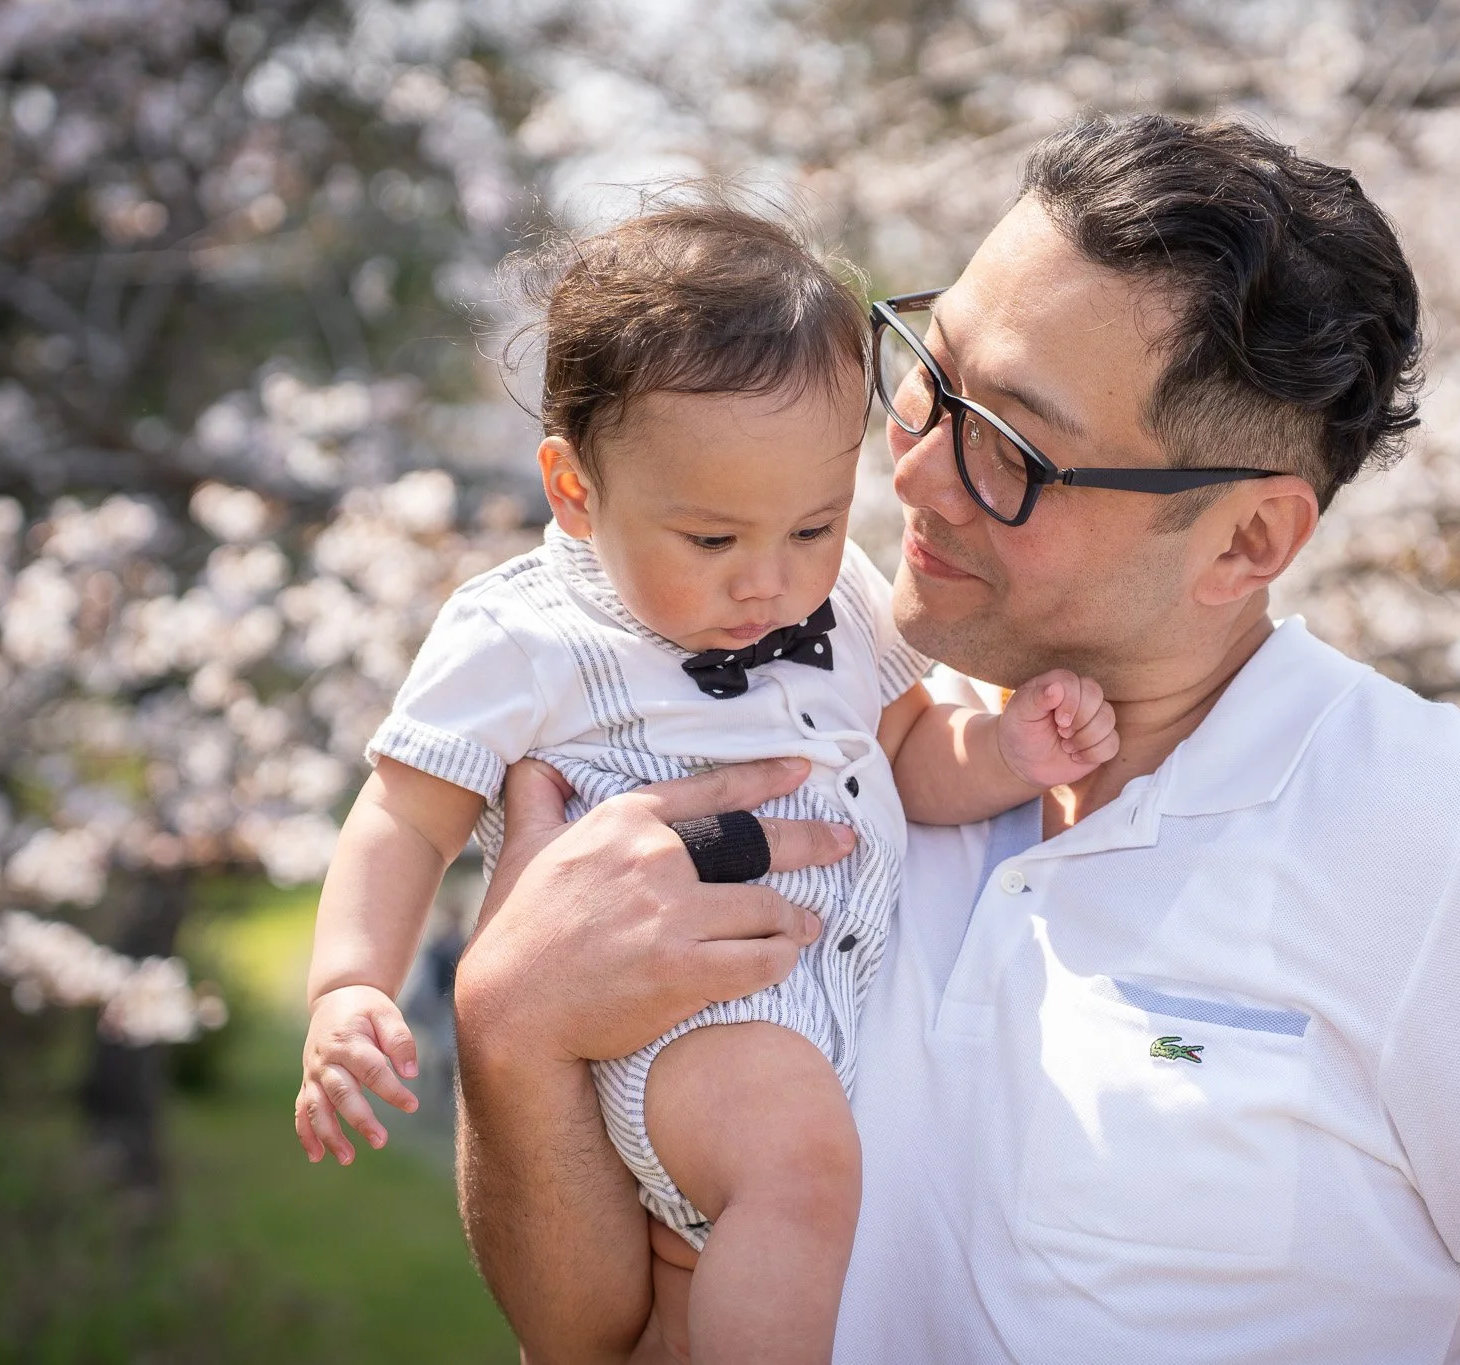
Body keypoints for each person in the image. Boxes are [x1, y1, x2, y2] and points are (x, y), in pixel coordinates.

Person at [454, 115, 1460, 1363]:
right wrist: (509, 1023)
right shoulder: (795, 745)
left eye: (1010, 446)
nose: (914, 467)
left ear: (1247, 539)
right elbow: (590, 1342)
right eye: (930, 375)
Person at [292, 202, 1118, 1362]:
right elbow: (399, 815)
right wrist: (347, 988)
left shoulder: (840, 604)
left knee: (762, 1231)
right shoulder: (522, 635)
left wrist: (1009, 754)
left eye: (813, 524)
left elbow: (907, 757)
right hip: (677, 1013)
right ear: (575, 492)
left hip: (819, 1012)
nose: (768, 582)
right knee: (801, 1171)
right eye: (712, 542)